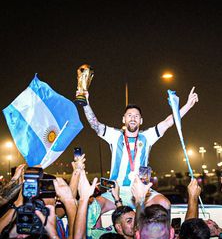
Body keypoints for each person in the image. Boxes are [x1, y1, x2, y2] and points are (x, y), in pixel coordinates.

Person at [80, 86, 198, 225]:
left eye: (136, 116)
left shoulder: (147, 136)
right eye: (129, 115)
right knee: (91, 209)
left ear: (141, 121)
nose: (133, 118)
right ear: (123, 119)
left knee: (164, 203)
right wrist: (85, 103)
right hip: (116, 192)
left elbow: (168, 122)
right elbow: (95, 125)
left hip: (141, 191)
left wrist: (188, 105)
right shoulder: (114, 136)